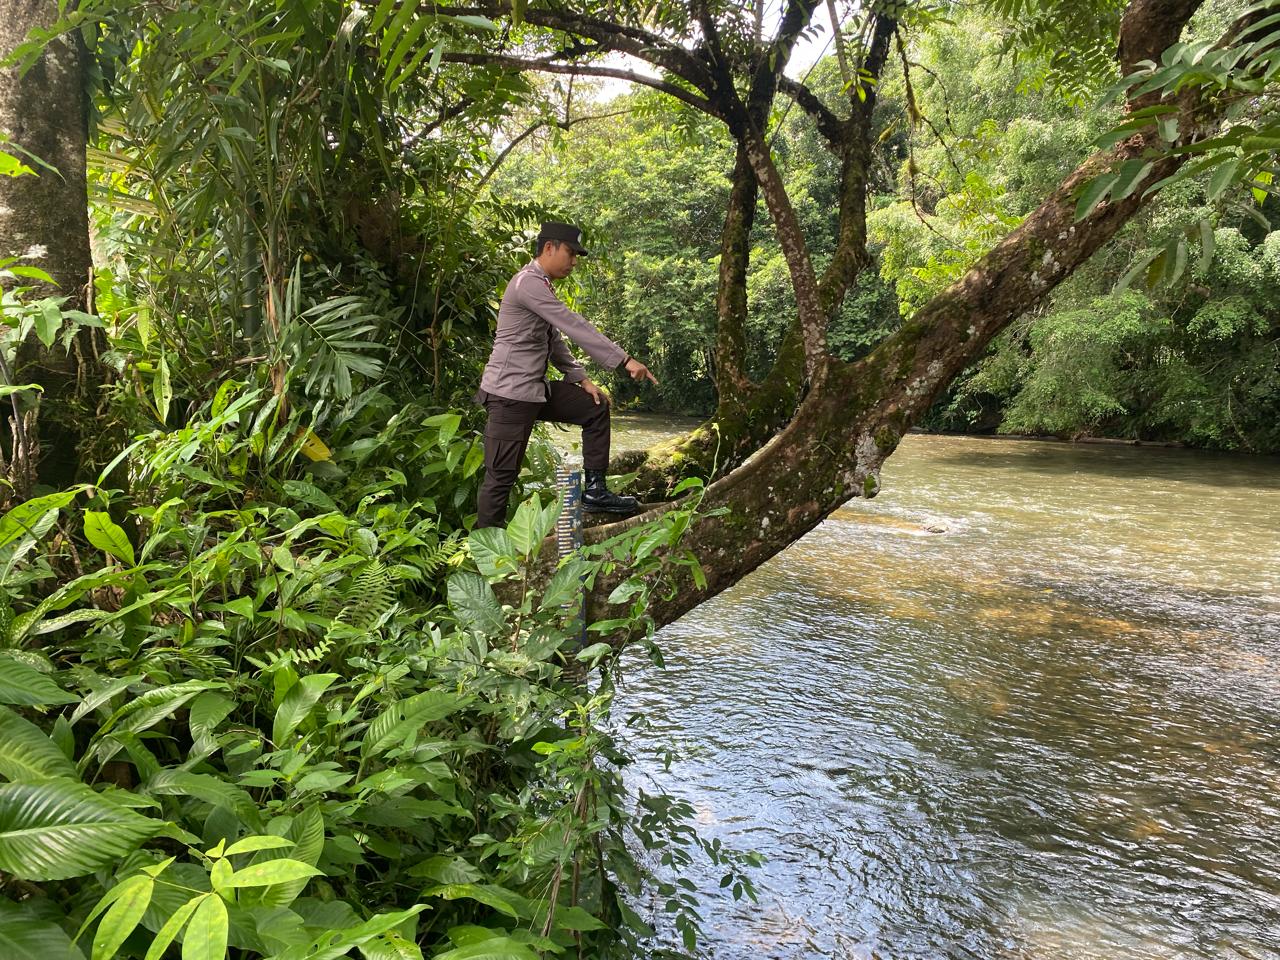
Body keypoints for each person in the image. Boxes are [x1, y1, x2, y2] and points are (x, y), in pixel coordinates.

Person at [474, 221, 659, 529]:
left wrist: (582, 379)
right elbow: (571, 323)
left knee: (595, 406)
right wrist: (624, 360)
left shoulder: (541, 285)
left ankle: (596, 491)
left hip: (534, 390)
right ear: (550, 248)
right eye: (571, 253)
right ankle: (486, 559)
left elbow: (554, 339)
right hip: (508, 396)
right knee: (500, 478)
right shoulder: (527, 283)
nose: (574, 262)